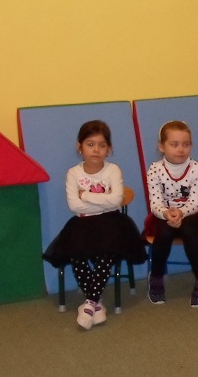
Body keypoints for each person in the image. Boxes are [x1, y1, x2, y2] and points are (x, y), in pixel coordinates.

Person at [41, 120, 146, 329]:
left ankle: (89, 302)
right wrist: (101, 201)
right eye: (90, 144)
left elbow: (116, 201)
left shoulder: (113, 170)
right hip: (82, 223)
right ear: (79, 147)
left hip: (112, 222)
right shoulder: (73, 173)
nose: (96, 149)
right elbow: (74, 205)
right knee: (76, 254)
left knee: (107, 253)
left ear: (109, 149)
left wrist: (86, 195)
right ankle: (96, 303)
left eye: (102, 145)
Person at [145, 121, 198, 307]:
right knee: (163, 233)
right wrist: (166, 213)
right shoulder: (155, 169)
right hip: (164, 214)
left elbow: (195, 202)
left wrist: (181, 212)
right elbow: (155, 203)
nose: (180, 149)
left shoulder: (197, 168)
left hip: (191, 213)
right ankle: (156, 277)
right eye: (174, 144)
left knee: (190, 232)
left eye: (186, 144)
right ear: (162, 147)